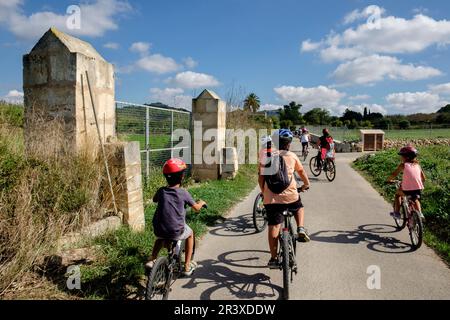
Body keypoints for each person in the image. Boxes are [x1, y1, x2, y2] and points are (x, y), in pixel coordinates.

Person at [258, 129, 311, 269]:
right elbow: (301, 172)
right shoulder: (292, 156)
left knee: (274, 226)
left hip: (272, 200)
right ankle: (300, 228)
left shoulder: (267, 156)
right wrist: (306, 184)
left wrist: (264, 192)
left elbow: (261, 178)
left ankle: (274, 259)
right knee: (299, 206)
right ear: (289, 144)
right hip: (291, 196)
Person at [147, 158, 207, 277]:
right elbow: (196, 208)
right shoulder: (183, 193)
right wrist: (202, 203)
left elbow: (154, 200)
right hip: (175, 230)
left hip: (158, 228)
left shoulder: (161, 191)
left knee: (160, 238)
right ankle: (187, 265)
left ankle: (152, 259)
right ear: (182, 177)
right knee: (190, 234)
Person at [387, 146, 426, 220]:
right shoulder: (418, 165)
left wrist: (388, 180)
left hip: (406, 189)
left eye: (402, 156)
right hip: (418, 188)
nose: (401, 158)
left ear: (406, 157)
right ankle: (420, 214)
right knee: (415, 199)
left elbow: (394, 174)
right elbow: (423, 178)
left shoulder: (403, 165)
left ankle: (397, 213)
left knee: (398, 195)